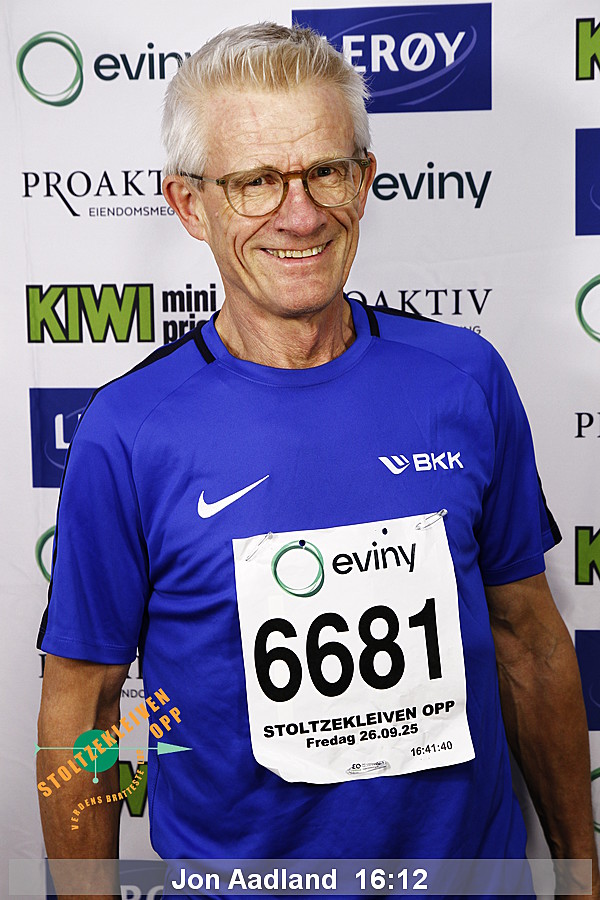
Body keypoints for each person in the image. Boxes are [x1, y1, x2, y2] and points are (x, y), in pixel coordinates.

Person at [37, 22, 598, 900]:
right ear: (190, 205)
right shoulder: (130, 429)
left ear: (364, 181)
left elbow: (529, 641)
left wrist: (579, 876)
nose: (299, 215)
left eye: (325, 172)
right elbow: (86, 704)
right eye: (255, 181)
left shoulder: (465, 378)